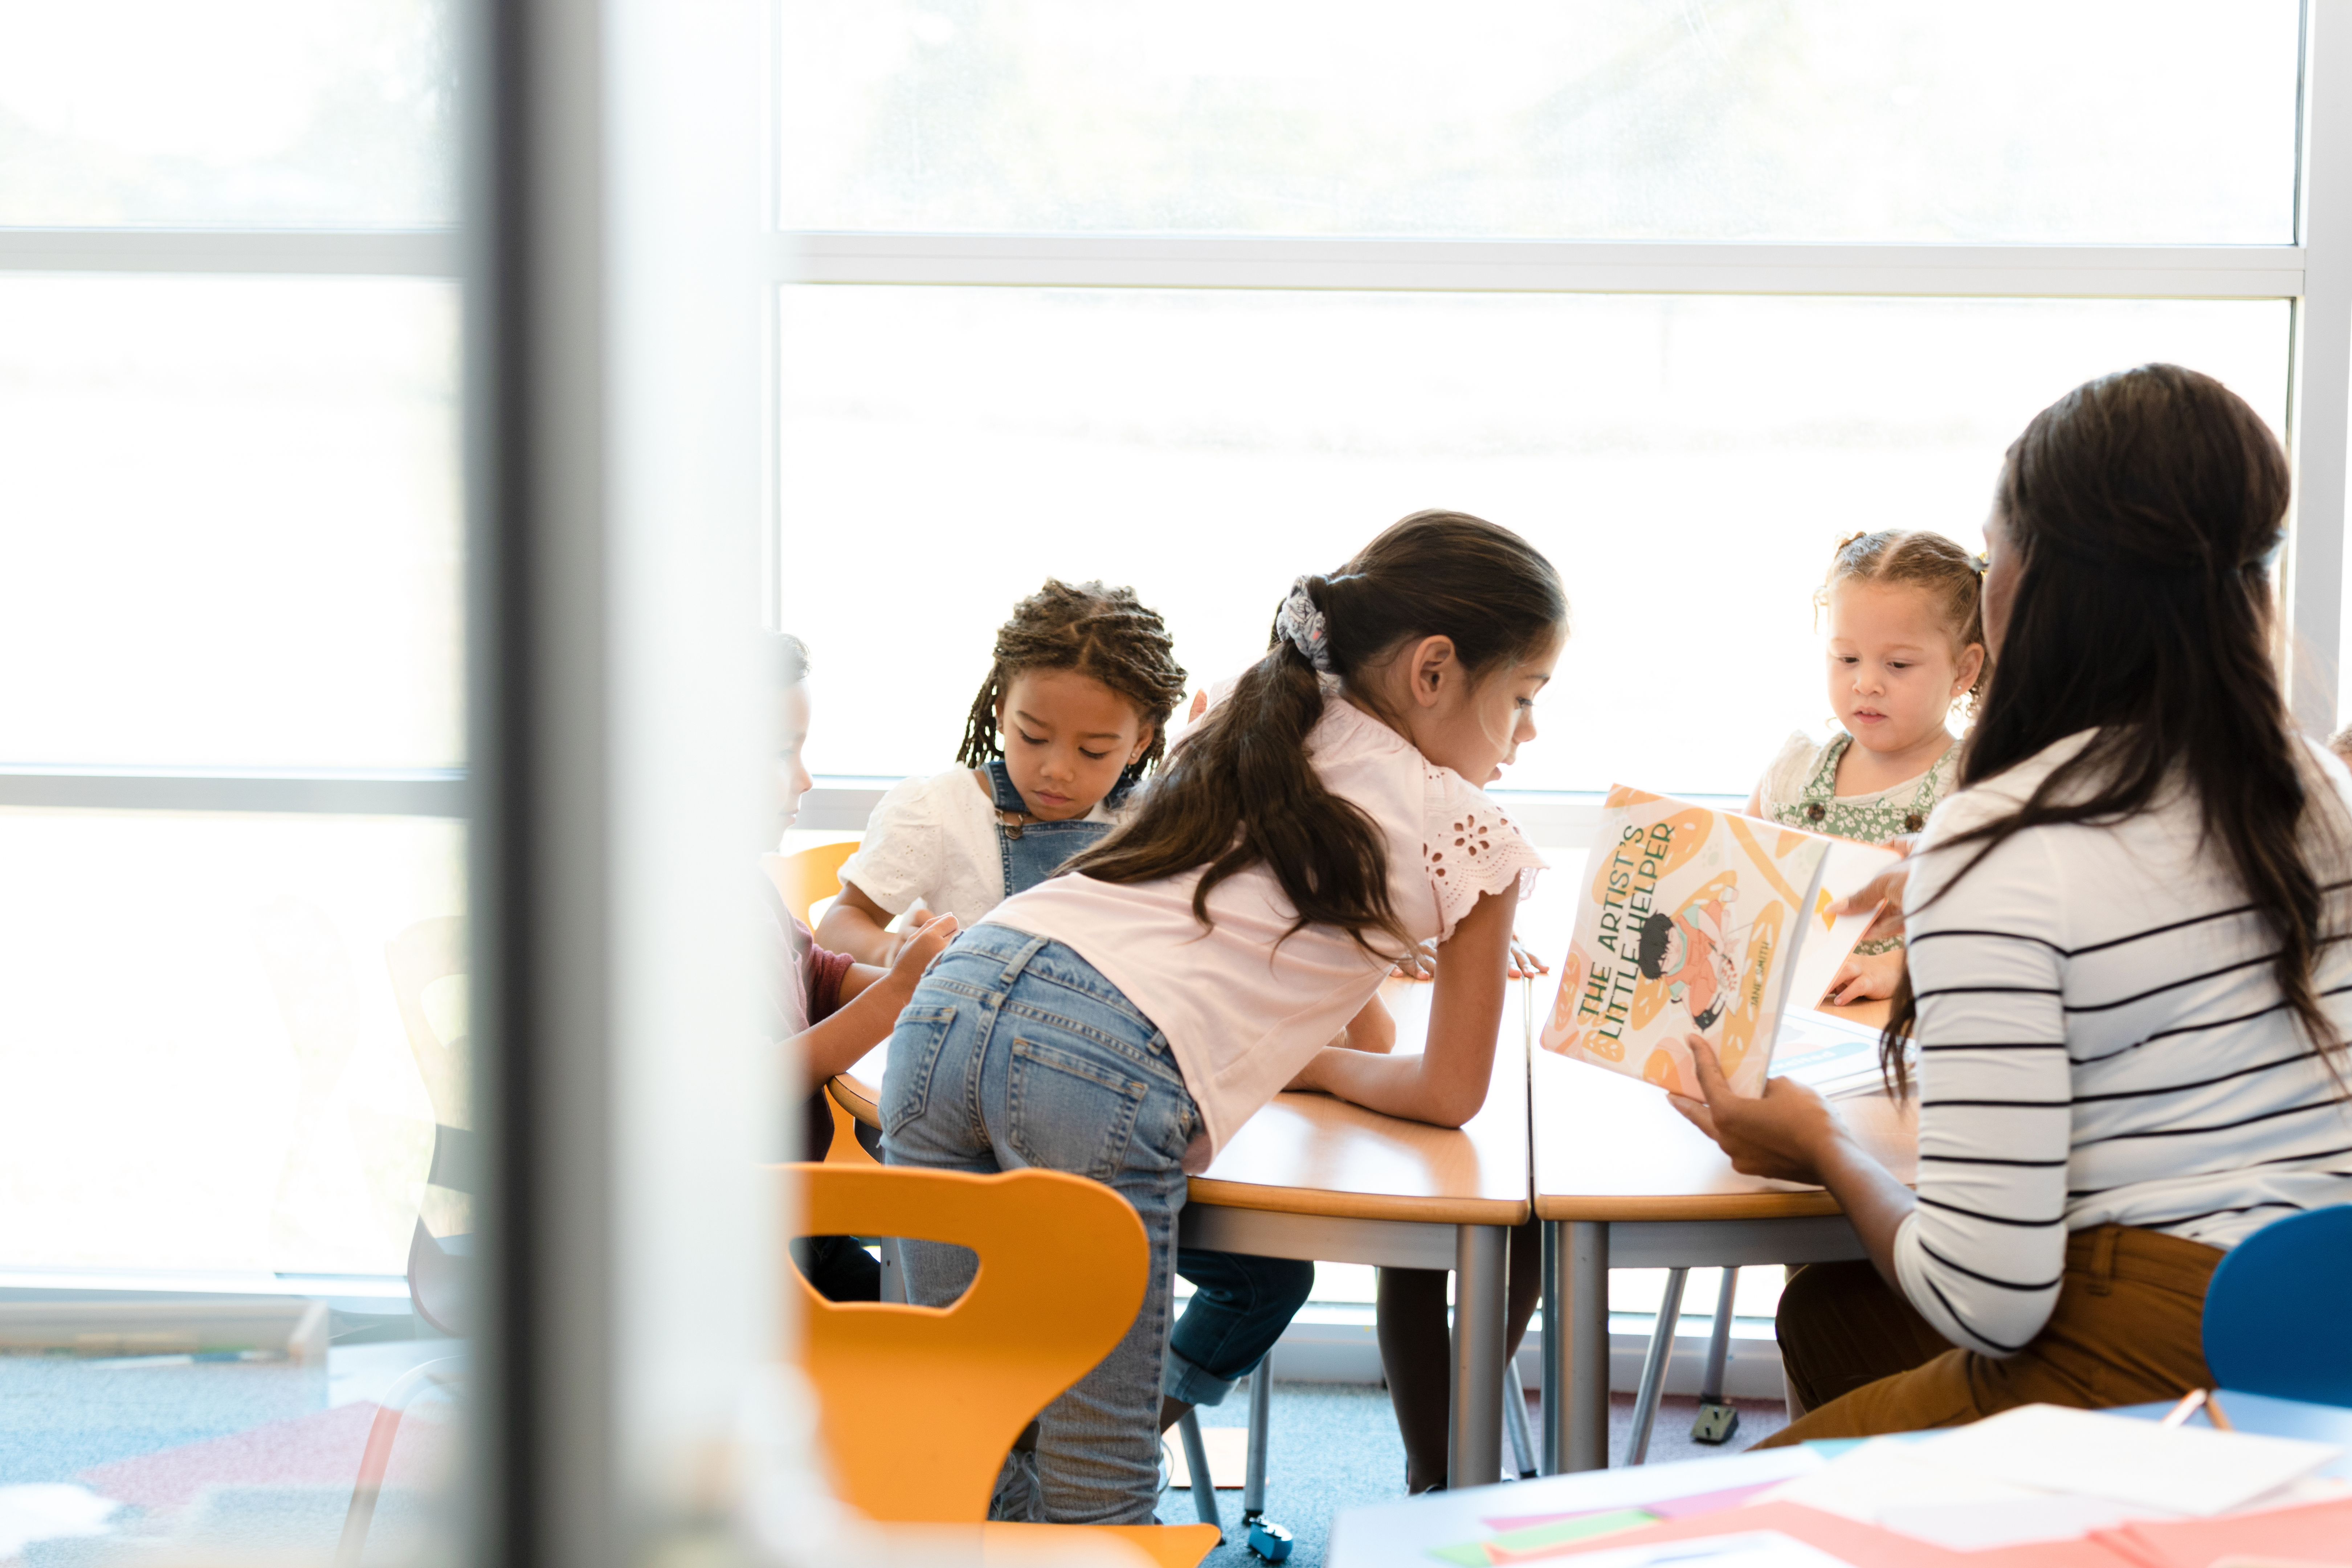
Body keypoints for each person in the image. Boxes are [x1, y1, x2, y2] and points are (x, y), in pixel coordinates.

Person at [1672, 363, 2352, 1442]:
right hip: (2316, 1316)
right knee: (1836, 1314)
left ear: (2036, 583)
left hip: (2160, 1344)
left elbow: (1989, 1302)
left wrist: (1822, 1146)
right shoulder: (2320, 783)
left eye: (1995, 551)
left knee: (1715, 1514)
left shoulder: (2010, 845)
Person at [882, 511, 1563, 1523]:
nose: (1531, 734)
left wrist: (1319, 1027)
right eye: (1523, 698)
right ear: (1433, 671)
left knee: (965, 1423)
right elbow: (1446, 1091)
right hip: (1100, 1066)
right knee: (1096, 1477)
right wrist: (1318, 1065)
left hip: (950, 1002)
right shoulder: (1470, 834)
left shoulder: (1250, 715)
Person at [816, 580, 1188, 962]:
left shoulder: (1151, 826)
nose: (1057, 771)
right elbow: (839, 925)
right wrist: (893, 953)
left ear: (1141, 742)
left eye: (1093, 752)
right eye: (1033, 736)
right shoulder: (941, 812)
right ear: (1001, 710)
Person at [763, 633, 958, 1300]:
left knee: (921, 1317)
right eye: (782, 753)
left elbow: (814, 974)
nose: (805, 779)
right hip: (733, 1245)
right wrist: (898, 993)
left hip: (796, 1218)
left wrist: (916, 979)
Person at [1748, 530, 1987, 1005]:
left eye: (1898, 665)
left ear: (1963, 670)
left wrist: (1896, 971)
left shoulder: (1974, 785)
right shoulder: (1793, 772)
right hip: (1785, 1017)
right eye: (1847, 658)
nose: (1867, 683)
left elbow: (1985, 931)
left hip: (1896, 1030)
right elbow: (1742, 880)